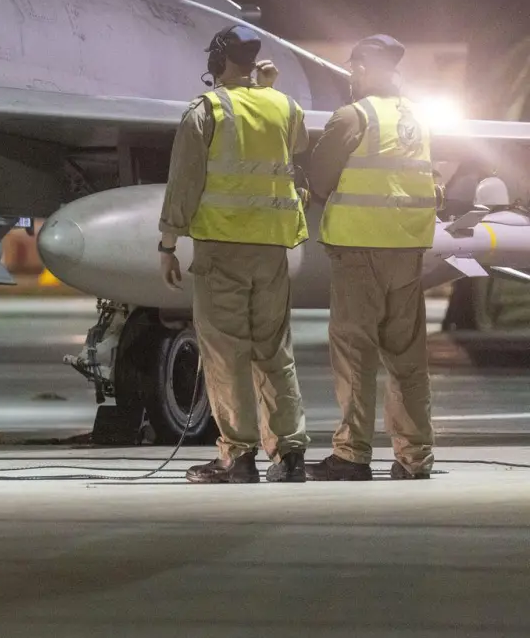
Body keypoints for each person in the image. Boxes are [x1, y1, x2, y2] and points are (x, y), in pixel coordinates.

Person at [158, 24, 312, 484]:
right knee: (274, 353)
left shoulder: (205, 111)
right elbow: (295, 142)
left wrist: (168, 243)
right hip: (271, 250)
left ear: (218, 59)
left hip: (222, 249)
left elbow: (184, 183)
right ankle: (289, 456)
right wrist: (265, 90)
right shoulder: (285, 105)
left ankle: (237, 457)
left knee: (226, 353)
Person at [305, 34, 438, 481]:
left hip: (360, 253)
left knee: (355, 355)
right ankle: (414, 457)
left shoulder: (353, 116)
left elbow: (318, 179)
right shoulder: (418, 118)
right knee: (407, 359)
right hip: (408, 254)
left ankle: (352, 454)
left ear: (362, 68)